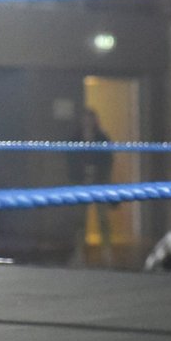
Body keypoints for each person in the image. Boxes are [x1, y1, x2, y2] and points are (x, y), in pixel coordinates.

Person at [67, 108, 115, 265]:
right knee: (79, 219)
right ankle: (79, 251)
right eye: (85, 118)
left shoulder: (102, 138)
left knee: (103, 218)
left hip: (99, 182)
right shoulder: (75, 138)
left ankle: (107, 251)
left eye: (90, 118)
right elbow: (70, 160)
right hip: (81, 182)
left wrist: (105, 177)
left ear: (95, 121)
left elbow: (109, 159)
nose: (87, 122)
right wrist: (74, 178)